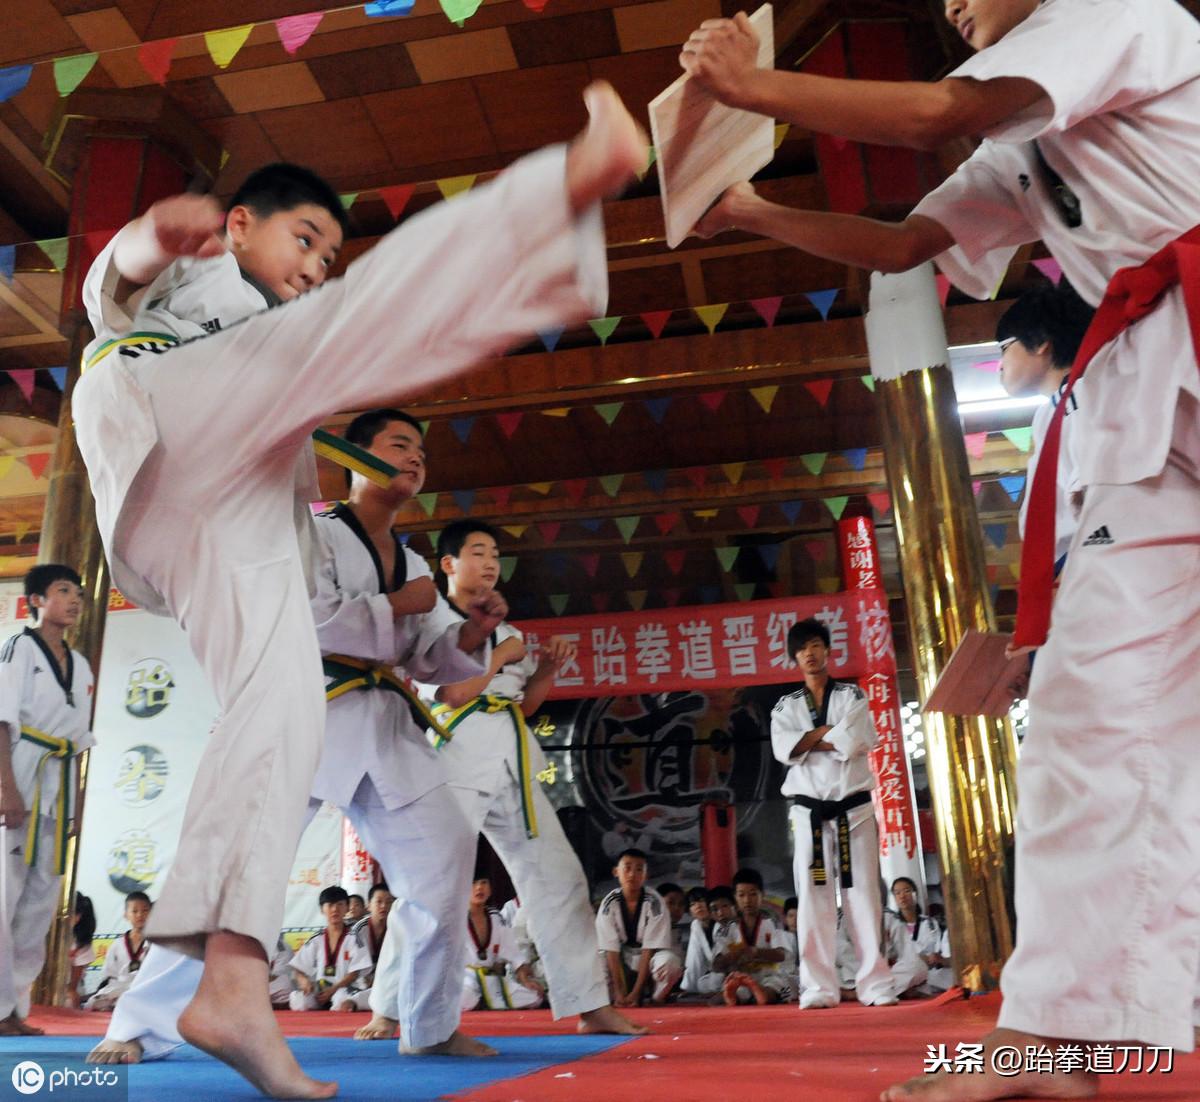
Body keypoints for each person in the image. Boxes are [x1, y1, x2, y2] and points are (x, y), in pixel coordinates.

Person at [73, 79, 646, 1098]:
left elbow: (429, 661)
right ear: (240, 225)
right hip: (160, 409)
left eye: (323, 256)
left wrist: (467, 640)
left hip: (227, 509)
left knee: (273, 711)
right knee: (363, 321)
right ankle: (563, 190)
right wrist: (154, 236)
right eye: (303, 241)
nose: (311, 267)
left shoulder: (360, 516)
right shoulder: (203, 281)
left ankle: (235, 986)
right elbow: (103, 293)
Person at [681, 2, 1200, 1097]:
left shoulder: (1118, 14)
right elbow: (905, 244)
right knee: (1086, 708)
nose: (952, 5)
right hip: (1144, 410)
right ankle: (1052, 1040)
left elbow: (933, 114)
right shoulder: (1016, 143)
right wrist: (753, 210)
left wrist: (753, 87)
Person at [88, 409, 498, 1065]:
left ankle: (429, 1025)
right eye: (399, 444)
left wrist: (472, 633)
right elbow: (311, 619)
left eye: (422, 448)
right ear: (356, 458)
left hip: (385, 726)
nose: (416, 457)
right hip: (295, 707)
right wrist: (405, 605)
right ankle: (138, 1026)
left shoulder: (414, 558)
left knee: (446, 858)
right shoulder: (308, 531)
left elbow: (428, 659)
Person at [421, 520, 644, 1036]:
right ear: (448, 564)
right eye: (477, 551)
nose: (491, 561)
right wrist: (500, 656)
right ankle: (392, 1005)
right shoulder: (430, 621)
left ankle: (589, 1004)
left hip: (512, 759)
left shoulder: (509, 632)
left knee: (558, 876)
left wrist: (544, 669)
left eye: (495, 553)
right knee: (434, 883)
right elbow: (452, 695)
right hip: (452, 755)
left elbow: (520, 706)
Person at [770, 618, 895, 1010]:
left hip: (852, 811)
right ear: (794, 657)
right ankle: (818, 988)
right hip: (809, 816)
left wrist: (809, 741)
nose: (810, 652)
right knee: (812, 900)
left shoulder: (852, 696)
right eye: (803, 647)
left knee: (863, 898)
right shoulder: (785, 706)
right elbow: (784, 749)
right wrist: (829, 734)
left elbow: (855, 740)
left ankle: (875, 985)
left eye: (816, 645)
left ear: (827, 650)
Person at [0, 564, 94, 1036]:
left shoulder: (81, 666)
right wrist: (7, 790)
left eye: (78, 592)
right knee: (4, 896)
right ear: (37, 600)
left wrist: (76, 803)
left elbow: (78, 743)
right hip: (22, 771)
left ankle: (16, 1009)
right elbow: (1, 721)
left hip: (58, 783)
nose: (75, 599)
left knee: (39, 903)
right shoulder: (19, 648)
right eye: (63, 591)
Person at [595, 849, 683, 1007]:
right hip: (620, 957)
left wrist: (636, 992)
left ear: (646, 875)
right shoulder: (609, 903)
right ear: (616, 872)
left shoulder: (655, 902)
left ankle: (657, 997)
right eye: (627, 868)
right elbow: (610, 950)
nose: (632, 874)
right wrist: (619, 990)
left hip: (648, 958)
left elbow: (648, 949)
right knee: (594, 962)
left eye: (639, 869)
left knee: (670, 963)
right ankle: (610, 998)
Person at [461, 877, 545, 1012]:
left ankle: (483, 1002)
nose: (479, 888)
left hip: (490, 979)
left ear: (490, 889)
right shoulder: (456, 919)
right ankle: (481, 1002)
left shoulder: (496, 918)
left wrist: (525, 980)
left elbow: (514, 954)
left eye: (484, 883)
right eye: (473, 883)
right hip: (464, 979)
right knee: (465, 998)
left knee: (535, 997)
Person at [713, 869, 790, 1005]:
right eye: (741, 895)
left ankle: (759, 994)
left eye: (753, 894)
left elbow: (781, 955)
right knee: (717, 1000)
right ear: (735, 898)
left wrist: (756, 952)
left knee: (775, 989)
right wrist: (734, 955)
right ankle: (744, 994)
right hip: (741, 978)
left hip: (770, 976)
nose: (747, 900)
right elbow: (716, 965)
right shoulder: (728, 928)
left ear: (762, 895)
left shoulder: (772, 921)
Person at [289, 887, 370, 1012]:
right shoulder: (316, 939)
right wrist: (304, 981)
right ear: (322, 909)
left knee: (341, 1000)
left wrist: (333, 989)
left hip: (345, 989)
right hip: (321, 991)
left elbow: (354, 973)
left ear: (347, 908)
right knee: (298, 1000)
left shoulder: (354, 938)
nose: (335, 909)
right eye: (330, 905)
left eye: (340, 904)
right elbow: (298, 968)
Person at [86, 893, 153, 1012]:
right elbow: (110, 974)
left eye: (145, 911)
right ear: (126, 915)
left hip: (145, 988)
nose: (140, 915)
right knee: (93, 1003)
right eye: (134, 911)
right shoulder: (118, 944)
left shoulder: (157, 943)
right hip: (119, 987)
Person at [890, 877, 953, 992]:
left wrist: (936, 958)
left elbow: (939, 950)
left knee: (951, 975)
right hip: (905, 970)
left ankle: (910, 989)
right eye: (897, 893)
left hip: (929, 971)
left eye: (907, 891)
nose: (902, 896)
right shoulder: (892, 925)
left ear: (915, 894)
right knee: (909, 970)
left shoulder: (929, 923)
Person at [342, 883, 393, 1012]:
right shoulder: (358, 930)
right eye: (379, 902)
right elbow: (353, 966)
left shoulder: (398, 928)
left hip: (385, 981)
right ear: (369, 906)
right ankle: (357, 1000)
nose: (384, 906)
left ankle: (358, 1001)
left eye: (388, 902)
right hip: (360, 981)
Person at [682, 885, 735, 998]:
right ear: (689, 911)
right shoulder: (696, 926)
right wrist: (688, 987)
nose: (698, 906)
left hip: (732, 969)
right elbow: (694, 959)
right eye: (693, 904)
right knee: (702, 983)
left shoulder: (721, 922)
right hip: (717, 973)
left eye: (701, 901)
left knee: (718, 979)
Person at [69, 892, 98, 1009]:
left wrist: (70, 991)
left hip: (70, 988)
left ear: (77, 917)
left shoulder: (81, 942)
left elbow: (72, 987)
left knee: (68, 1002)